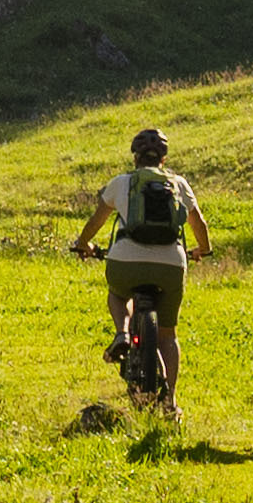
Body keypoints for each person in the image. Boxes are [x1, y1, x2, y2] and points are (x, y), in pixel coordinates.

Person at [72, 126, 201, 402]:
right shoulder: (178, 183)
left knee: (118, 294)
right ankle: (171, 402)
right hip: (171, 266)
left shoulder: (122, 182)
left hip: (125, 262)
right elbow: (198, 222)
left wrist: (84, 244)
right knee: (167, 335)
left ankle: (122, 332)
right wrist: (204, 249)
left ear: (135, 158)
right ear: (163, 159)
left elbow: (97, 221)